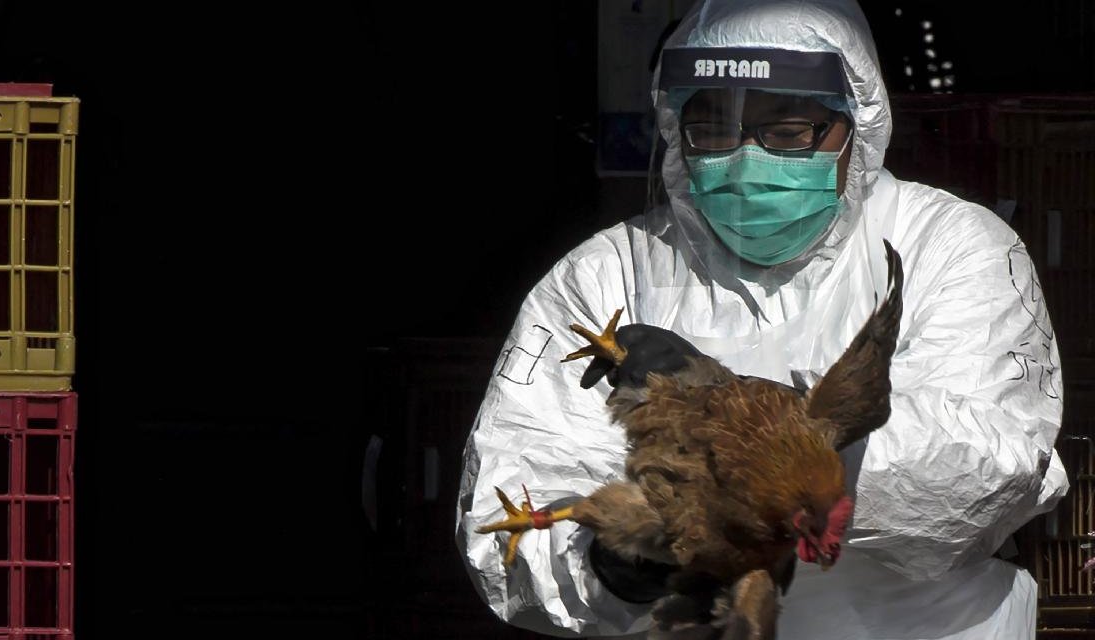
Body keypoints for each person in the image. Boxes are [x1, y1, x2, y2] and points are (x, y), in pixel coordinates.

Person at [454, 0, 1069, 638]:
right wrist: (615, 565)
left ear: (854, 124)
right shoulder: (605, 275)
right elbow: (511, 501)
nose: (748, 157)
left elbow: (992, 467)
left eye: (789, 128)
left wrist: (770, 441)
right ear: (675, 129)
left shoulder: (952, 245)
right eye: (714, 127)